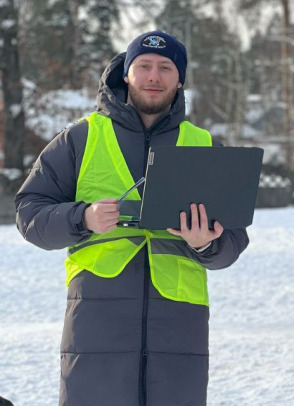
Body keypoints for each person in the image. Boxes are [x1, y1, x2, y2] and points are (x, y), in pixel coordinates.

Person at [14, 30, 249, 406]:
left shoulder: (205, 146)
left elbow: (233, 242)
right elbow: (29, 214)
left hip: (178, 328)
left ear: (180, 78)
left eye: (165, 68)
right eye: (143, 66)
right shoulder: (79, 138)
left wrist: (206, 242)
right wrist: (83, 217)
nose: (153, 76)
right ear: (126, 73)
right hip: (95, 322)